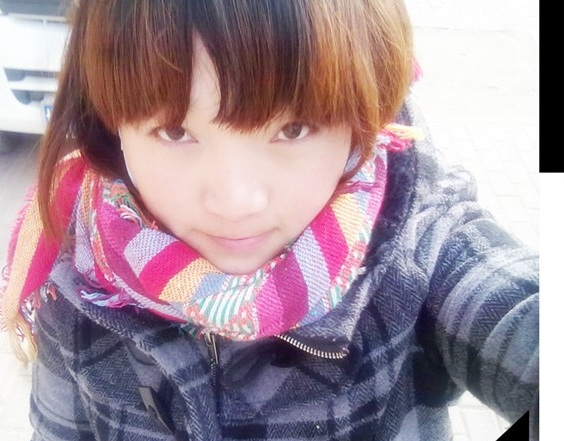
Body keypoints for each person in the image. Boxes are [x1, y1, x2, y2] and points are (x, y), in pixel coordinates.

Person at [0, 1, 538, 440]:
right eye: (174, 131)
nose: (236, 201)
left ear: (363, 113)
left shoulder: (418, 249)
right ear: (111, 124)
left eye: (294, 128)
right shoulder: (79, 276)